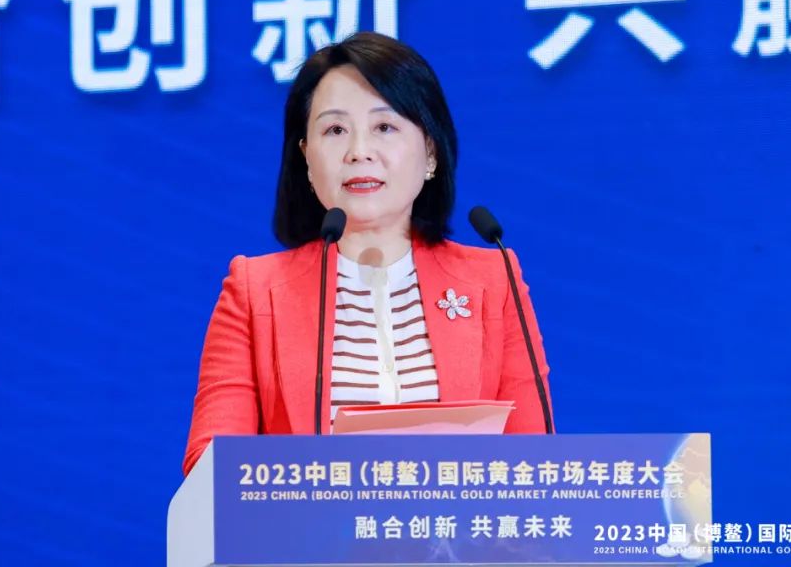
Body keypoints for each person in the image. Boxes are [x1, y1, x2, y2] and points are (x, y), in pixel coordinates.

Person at [182, 32, 553, 476]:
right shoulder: (254, 291)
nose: (359, 152)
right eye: (335, 130)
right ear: (306, 157)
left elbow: (535, 464)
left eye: (384, 127)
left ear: (430, 151)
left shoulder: (495, 279)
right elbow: (211, 472)